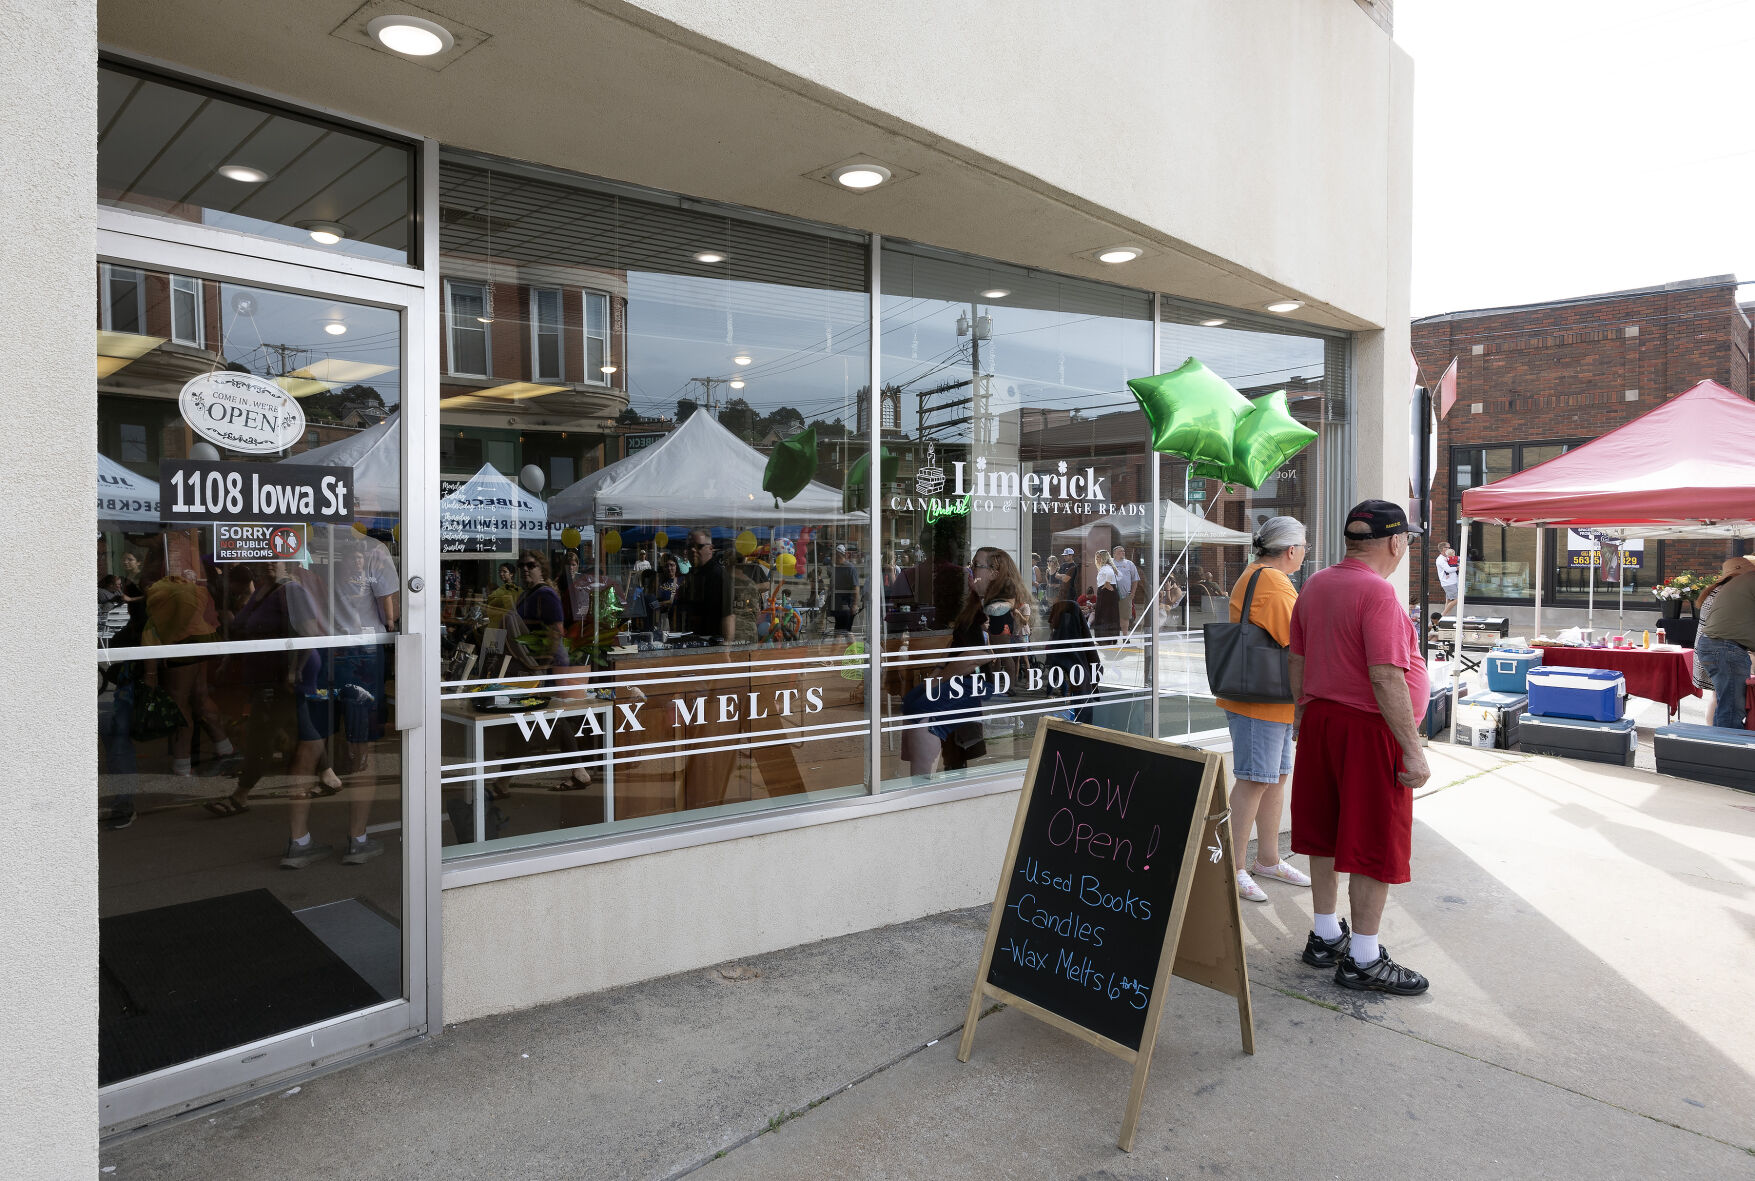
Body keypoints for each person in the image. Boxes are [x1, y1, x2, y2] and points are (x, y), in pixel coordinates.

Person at [1288, 499, 1431, 996]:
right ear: (1394, 543)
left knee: (1324, 831)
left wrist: (1302, 715)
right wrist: (1411, 749)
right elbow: (1385, 675)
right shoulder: (1379, 594)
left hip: (1323, 721)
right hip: (1369, 729)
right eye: (1406, 541)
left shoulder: (1315, 585)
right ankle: (1364, 958)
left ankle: (1326, 935)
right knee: (1373, 841)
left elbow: (1298, 660)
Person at [1216, 516, 1311, 903]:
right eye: (1304, 548)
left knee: (1272, 778)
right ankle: (1234, 867)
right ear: (1291, 550)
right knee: (1256, 779)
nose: (1304, 555)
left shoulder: (1257, 574)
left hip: (1267, 699)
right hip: (1260, 700)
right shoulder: (1273, 581)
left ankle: (1267, 859)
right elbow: (1298, 637)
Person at [901, 547, 1026, 776]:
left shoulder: (998, 608)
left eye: (976, 565)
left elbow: (983, 655)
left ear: (994, 572)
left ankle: (923, 779)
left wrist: (939, 679)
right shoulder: (977, 604)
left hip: (974, 682)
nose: (970, 569)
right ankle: (929, 770)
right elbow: (956, 645)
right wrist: (938, 671)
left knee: (922, 712)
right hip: (960, 676)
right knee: (912, 701)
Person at [1692, 557, 1755, 717]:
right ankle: (1726, 741)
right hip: (1725, 649)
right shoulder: (1744, 584)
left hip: (1713, 646)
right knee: (1731, 709)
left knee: (1724, 703)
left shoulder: (1728, 587)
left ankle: (1719, 739)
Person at [831, 543, 862, 635]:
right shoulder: (835, 568)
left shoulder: (850, 568)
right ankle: (851, 649)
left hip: (847, 606)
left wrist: (854, 605)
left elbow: (856, 587)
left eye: (833, 554)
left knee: (841, 632)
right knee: (843, 632)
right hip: (838, 605)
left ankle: (838, 649)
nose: (832, 557)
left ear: (839, 555)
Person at [1111, 544, 1141, 631]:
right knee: (1112, 616)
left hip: (1125, 596)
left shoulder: (1129, 564)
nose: (1123, 552)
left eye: (1123, 551)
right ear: (1114, 554)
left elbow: (1135, 579)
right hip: (1112, 596)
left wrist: (1133, 593)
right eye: (1120, 551)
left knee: (1125, 617)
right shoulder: (1110, 563)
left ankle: (1125, 637)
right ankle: (1114, 638)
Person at [1092, 549, 1121, 637]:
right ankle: (1109, 638)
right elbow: (1120, 576)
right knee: (1109, 615)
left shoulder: (1106, 567)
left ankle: (1104, 638)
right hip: (1107, 592)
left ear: (1104, 558)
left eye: (1099, 557)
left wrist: (1107, 583)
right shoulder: (1108, 567)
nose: (1097, 559)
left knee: (1103, 615)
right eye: (1096, 557)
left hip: (1105, 593)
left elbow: (1110, 573)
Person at [1436, 542, 1460, 618]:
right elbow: (1448, 569)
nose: (1450, 549)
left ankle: (1445, 618)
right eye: (1448, 547)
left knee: (1449, 600)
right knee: (1459, 599)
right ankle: (1442, 615)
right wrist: (1457, 568)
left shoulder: (1448, 558)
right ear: (1444, 549)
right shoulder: (1441, 559)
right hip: (1449, 583)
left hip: (1452, 582)